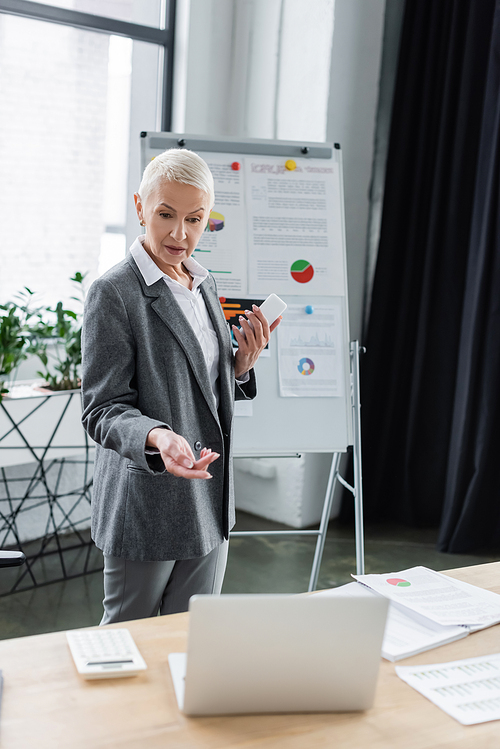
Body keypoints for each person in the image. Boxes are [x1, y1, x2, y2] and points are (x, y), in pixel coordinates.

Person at [81, 148, 281, 623]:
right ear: (139, 207)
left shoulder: (203, 282)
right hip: (149, 496)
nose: (180, 233)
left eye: (194, 219)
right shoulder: (114, 293)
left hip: (210, 497)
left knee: (190, 637)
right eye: (166, 214)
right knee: (129, 640)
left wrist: (241, 366)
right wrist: (156, 436)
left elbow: (203, 383)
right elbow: (102, 408)